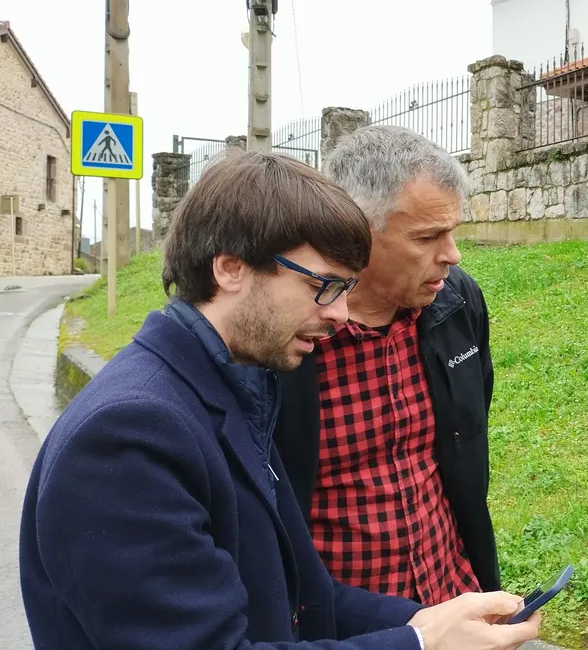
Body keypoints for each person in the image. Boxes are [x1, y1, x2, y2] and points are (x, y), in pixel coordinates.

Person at [19, 152, 539, 650]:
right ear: (230, 269)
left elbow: (296, 599)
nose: (340, 315)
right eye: (325, 286)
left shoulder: (235, 385)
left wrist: (426, 619)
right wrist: (420, 642)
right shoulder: (127, 436)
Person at [274, 125, 498, 606]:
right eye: (427, 236)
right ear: (356, 231)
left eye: (453, 231)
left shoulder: (458, 303)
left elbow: (465, 442)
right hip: (336, 626)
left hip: (450, 600)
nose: (452, 255)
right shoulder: (286, 337)